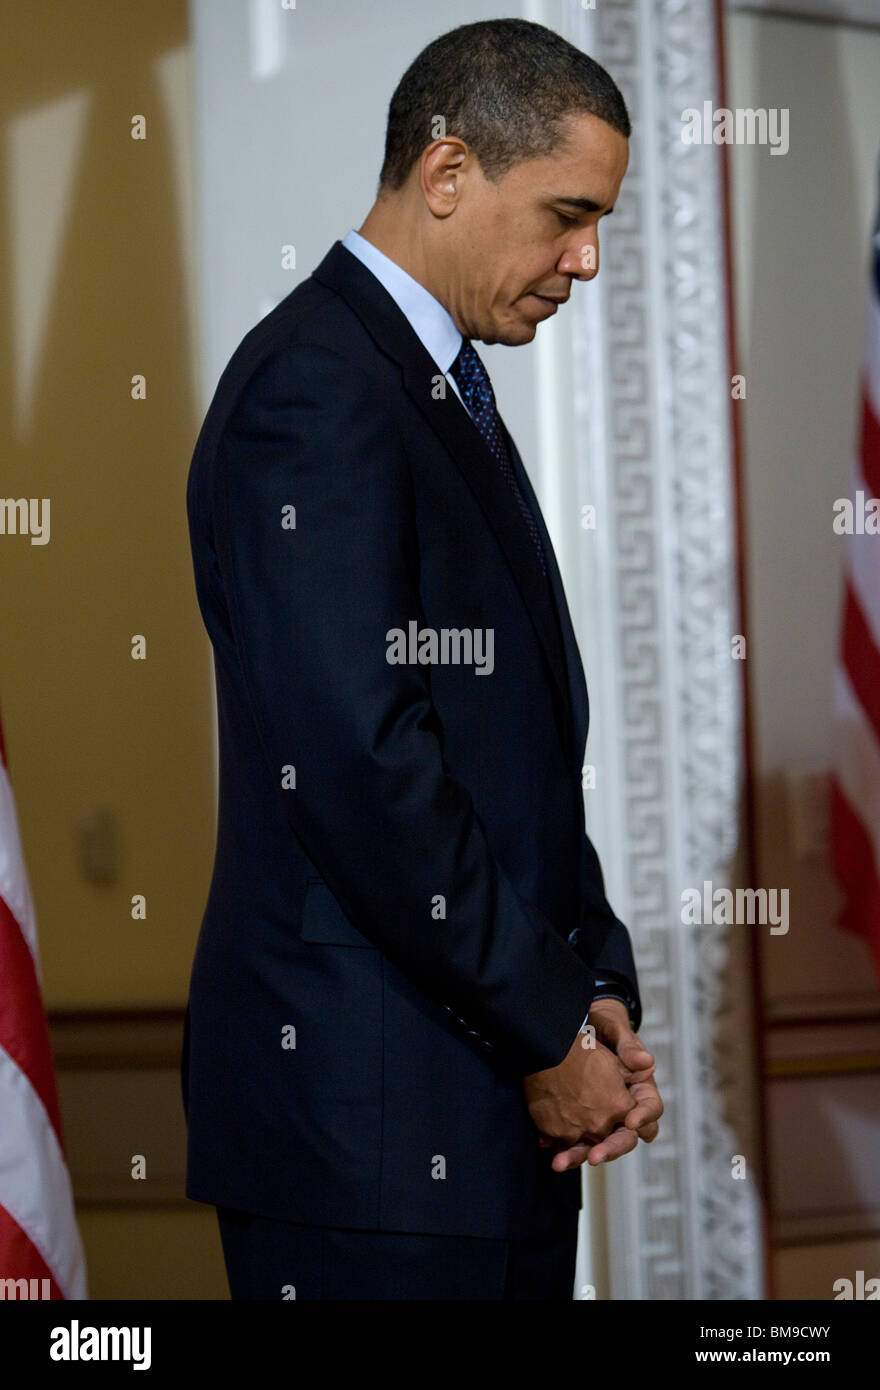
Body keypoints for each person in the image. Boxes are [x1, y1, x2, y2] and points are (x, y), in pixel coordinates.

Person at [182, 17, 663, 1301]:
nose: (588, 258)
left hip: (472, 1118)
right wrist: (541, 1023)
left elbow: (502, 763)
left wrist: (593, 983)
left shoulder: (428, 381)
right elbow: (364, 765)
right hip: (369, 1136)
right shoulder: (317, 388)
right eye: (567, 212)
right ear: (447, 174)